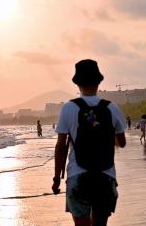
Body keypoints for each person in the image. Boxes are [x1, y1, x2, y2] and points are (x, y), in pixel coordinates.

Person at [52, 59, 126, 226]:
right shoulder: (112, 108)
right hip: (106, 175)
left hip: (77, 175)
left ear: (77, 84)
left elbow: (61, 147)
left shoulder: (68, 108)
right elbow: (121, 142)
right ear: (99, 82)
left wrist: (57, 178)